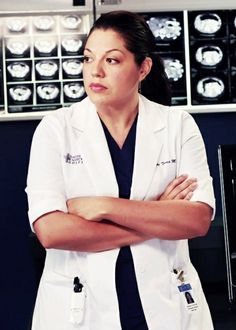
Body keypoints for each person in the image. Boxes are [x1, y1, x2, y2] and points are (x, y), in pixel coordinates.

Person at [26, 10, 215, 330]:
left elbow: (196, 220)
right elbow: (52, 231)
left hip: (167, 304)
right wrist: (157, 214)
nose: (94, 71)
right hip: (81, 309)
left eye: (111, 60)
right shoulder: (56, 129)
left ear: (143, 68)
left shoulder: (177, 125)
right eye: (87, 59)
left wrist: (105, 207)